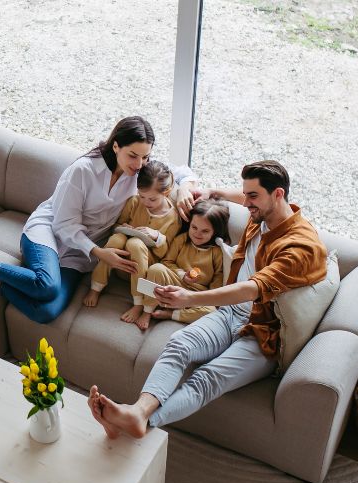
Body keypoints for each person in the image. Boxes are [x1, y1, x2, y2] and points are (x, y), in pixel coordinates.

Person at [87, 160, 328, 439]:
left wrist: (190, 298)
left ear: (278, 194)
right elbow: (243, 198)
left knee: (207, 378)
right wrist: (216, 192)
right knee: (178, 345)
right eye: (245, 195)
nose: (246, 203)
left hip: (263, 334)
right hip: (230, 314)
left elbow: (253, 289)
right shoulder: (264, 215)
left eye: (252, 196)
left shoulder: (300, 247)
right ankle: (136, 413)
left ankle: (140, 420)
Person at [0, 116, 197, 324]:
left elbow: (181, 172)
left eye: (146, 156)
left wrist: (185, 187)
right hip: (49, 233)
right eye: (133, 155)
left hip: (79, 254)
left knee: (46, 312)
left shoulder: (139, 173)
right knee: (47, 286)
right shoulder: (83, 170)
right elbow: (63, 225)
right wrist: (100, 253)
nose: (140, 164)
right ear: (116, 145)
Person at [82, 160, 182, 326]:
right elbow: (115, 226)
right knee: (117, 238)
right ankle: (96, 287)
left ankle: (138, 304)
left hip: (144, 271)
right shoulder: (134, 202)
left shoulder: (173, 218)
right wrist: (123, 227)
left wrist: (157, 236)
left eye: (152, 199)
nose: (146, 202)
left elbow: (165, 255)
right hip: (120, 263)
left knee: (135, 243)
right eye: (142, 196)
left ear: (167, 192)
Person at [139, 199, 229, 331]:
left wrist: (209, 298)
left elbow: (217, 278)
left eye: (205, 231)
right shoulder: (182, 239)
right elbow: (167, 262)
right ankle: (147, 310)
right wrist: (182, 275)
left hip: (196, 295)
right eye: (194, 227)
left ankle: (172, 314)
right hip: (176, 283)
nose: (197, 233)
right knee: (156, 269)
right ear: (190, 224)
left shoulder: (216, 252)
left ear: (215, 232)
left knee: (211, 311)